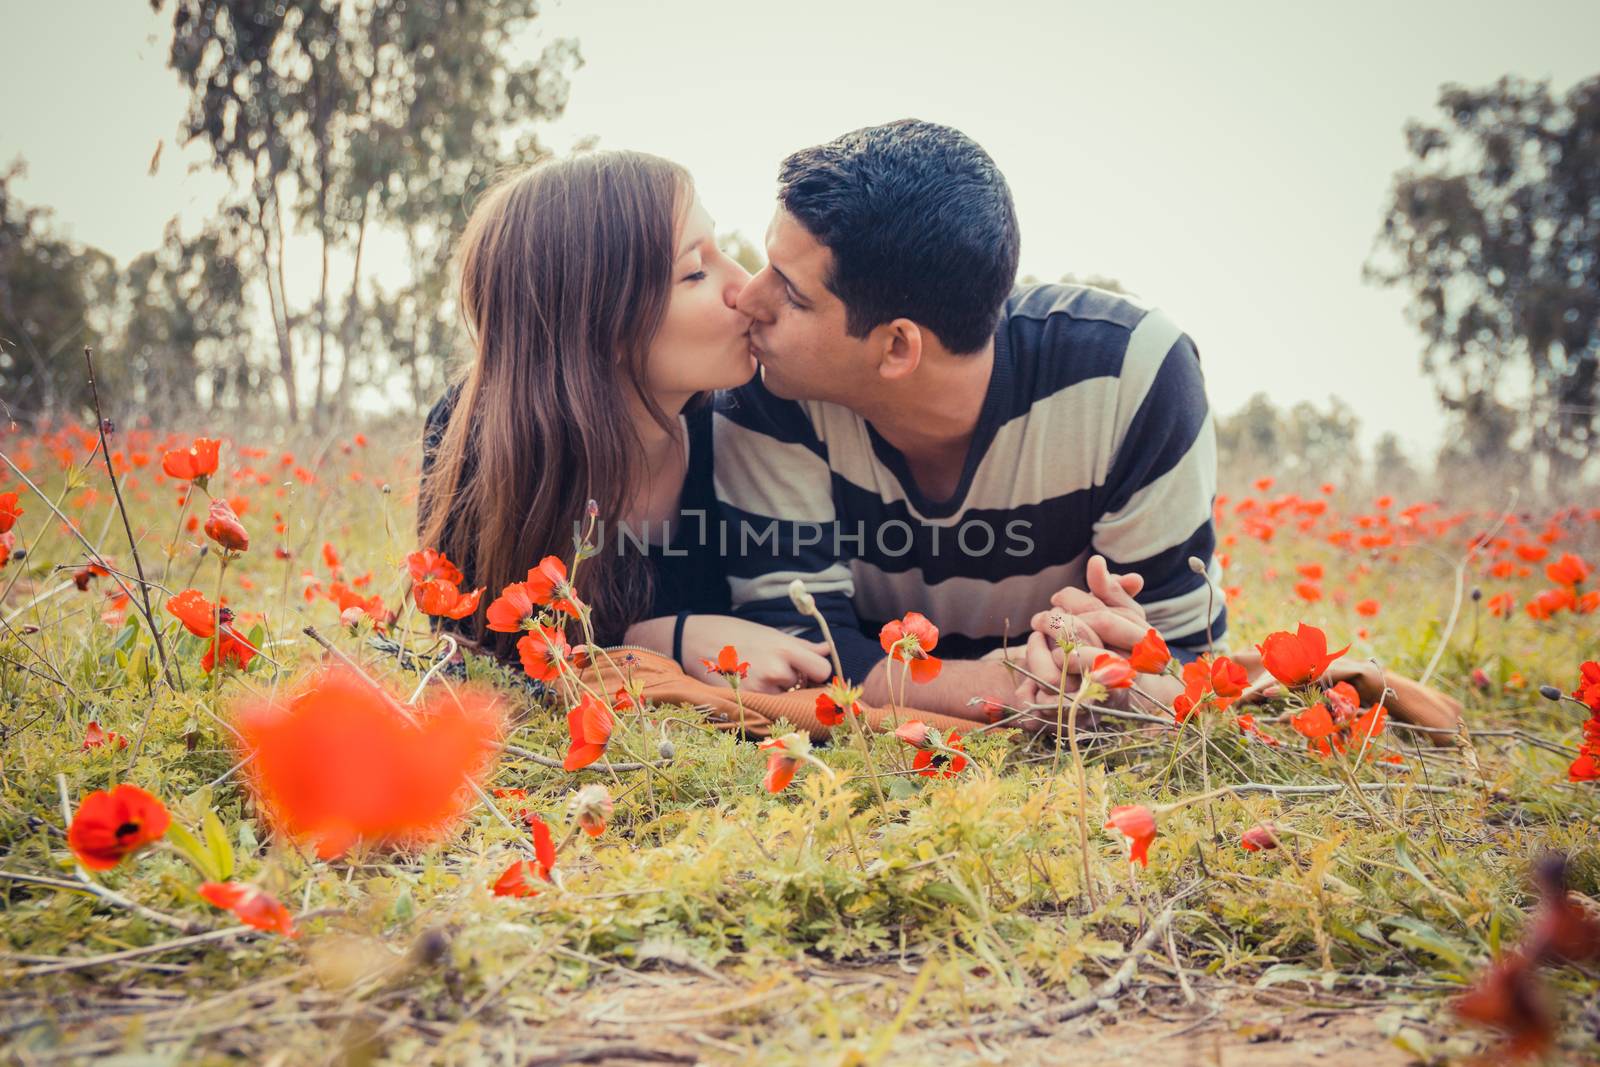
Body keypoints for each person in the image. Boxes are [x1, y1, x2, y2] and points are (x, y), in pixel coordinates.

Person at [714, 119, 1226, 721]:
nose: (748, 300)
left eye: (793, 295)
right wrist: (1033, 688)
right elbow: (804, 659)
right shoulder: (769, 390)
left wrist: (1109, 671)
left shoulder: (1132, 378)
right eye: (766, 263)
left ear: (898, 347)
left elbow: (1186, 661)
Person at [417, 150, 833, 691]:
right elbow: (480, 656)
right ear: (604, 326)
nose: (746, 287)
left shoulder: (754, 422)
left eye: (721, 249)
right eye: (696, 272)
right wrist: (664, 640)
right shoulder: (473, 437)